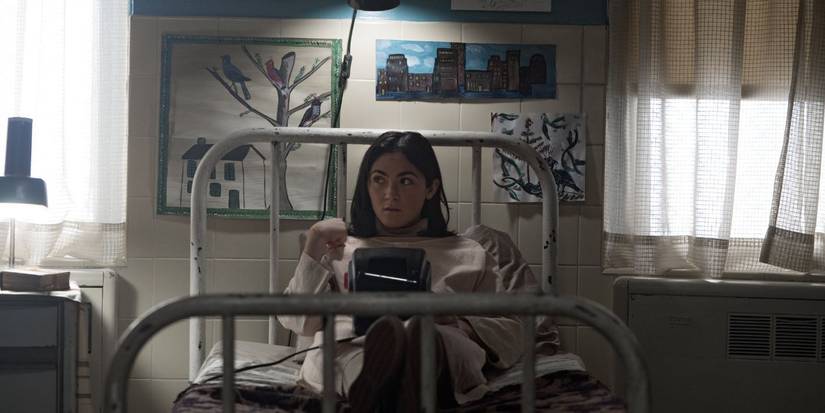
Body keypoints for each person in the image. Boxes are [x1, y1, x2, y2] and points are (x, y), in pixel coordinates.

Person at [278, 131, 558, 412]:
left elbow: (511, 331)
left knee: (436, 341)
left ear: (431, 188)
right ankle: (381, 384)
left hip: (436, 343)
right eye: (379, 180)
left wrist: (457, 320)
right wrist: (314, 240)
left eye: (406, 180)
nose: (390, 194)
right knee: (339, 352)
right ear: (366, 185)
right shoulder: (337, 249)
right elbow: (299, 321)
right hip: (352, 344)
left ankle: (397, 376)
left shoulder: (469, 253)